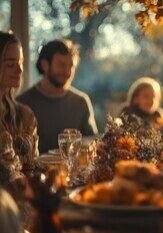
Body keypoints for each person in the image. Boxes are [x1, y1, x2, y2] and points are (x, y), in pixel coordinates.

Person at [17, 39, 98, 153]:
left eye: (71, 66)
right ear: (45, 65)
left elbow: (91, 143)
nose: (67, 72)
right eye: (61, 65)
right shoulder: (22, 104)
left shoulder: (81, 102)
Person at [0, 31, 38, 183]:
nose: (20, 70)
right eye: (10, 64)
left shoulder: (25, 115)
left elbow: (32, 165)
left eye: (21, 62)